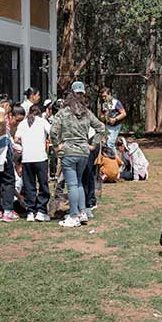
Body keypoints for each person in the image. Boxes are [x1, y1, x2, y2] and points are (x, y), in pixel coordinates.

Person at [50, 82, 105, 227]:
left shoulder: (63, 112)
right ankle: (82, 212)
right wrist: (92, 144)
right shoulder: (87, 112)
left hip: (68, 151)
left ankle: (73, 215)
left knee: (72, 184)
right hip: (83, 152)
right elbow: (101, 128)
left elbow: (53, 131)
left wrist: (57, 146)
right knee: (79, 183)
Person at [15, 105, 52, 222]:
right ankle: (41, 210)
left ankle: (30, 211)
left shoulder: (22, 124)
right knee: (43, 185)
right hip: (40, 158)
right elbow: (52, 133)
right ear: (39, 113)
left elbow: (16, 139)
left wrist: (26, 142)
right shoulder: (42, 121)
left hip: (26, 159)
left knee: (29, 186)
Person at [100, 87, 126, 151]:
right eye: (102, 97)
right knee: (107, 144)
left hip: (116, 126)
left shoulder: (116, 102)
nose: (104, 98)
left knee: (110, 144)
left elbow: (124, 113)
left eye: (105, 96)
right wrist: (102, 117)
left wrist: (115, 119)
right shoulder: (104, 104)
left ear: (110, 94)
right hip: (108, 126)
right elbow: (103, 115)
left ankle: (115, 160)